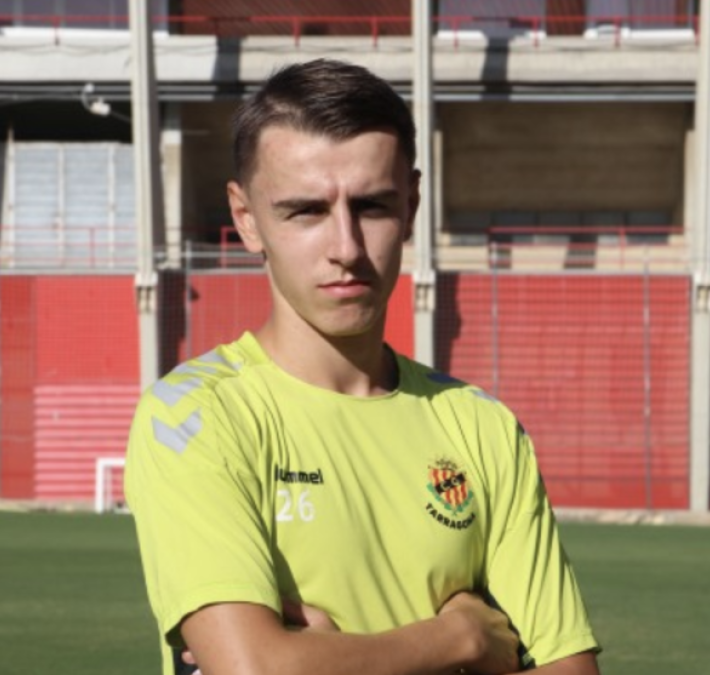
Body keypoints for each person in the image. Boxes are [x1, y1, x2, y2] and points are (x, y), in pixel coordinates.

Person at [125, 58, 601, 675]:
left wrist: (324, 657)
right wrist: (458, 640)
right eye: (306, 211)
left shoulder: (482, 428)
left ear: (412, 203)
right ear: (246, 219)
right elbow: (257, 670)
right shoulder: (196, 416)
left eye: (373, 206)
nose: (346, 248)